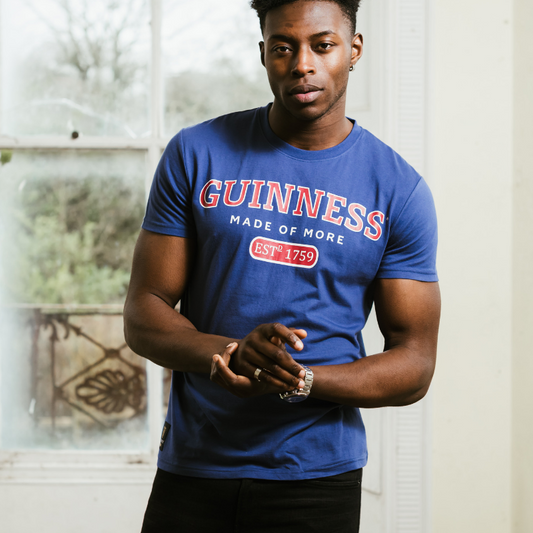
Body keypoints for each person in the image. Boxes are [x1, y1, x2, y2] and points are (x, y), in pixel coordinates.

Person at [124, 0, 441, 531]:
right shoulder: (196, 154)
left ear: (353, 49)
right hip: (196, 466)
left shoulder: (398, 190)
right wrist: (230, 353)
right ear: (264, 54)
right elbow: (144, 311)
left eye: (323, 45)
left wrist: (301, 380)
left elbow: (414, 364)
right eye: (283, 47)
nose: (302, 65)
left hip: (316, 478)